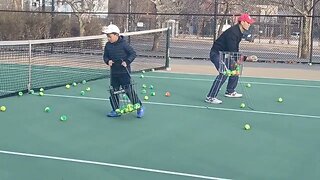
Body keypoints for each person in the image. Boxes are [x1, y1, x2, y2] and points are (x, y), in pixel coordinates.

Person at [205, 13, 256, 104]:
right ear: (242, 22)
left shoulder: (239, 32)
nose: (249, 24)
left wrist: (238, 60)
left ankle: (230, 91)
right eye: (248, 22)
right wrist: (246, 58)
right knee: (224, 72)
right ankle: (210, 97)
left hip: (225, 54)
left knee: (235, 68)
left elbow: (234, 50)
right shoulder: (233, 33)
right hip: (216, 54)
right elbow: (233, 51)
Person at [102, 24, 144, 118]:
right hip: (114, 73)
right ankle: (116, 110)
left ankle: (139, 107)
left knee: (128, 90)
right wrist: (107, 61)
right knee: (114, 91)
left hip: (124, 72)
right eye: (107, 36)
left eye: (110, 36)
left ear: (116, 35)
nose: (108, 38)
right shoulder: (108, 45)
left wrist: (127, 61)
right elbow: (105, 56)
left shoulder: (124, 44)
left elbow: (133, 53)